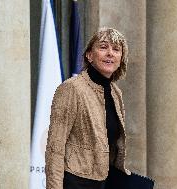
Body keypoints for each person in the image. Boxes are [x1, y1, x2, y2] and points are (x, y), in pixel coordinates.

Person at [45, 27, 131, 189]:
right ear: (89, 55)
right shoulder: (72, 89)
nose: (110, 53)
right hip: (75, 181)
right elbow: (54, 148)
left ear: (121, 59)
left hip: (105, 181)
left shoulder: (116, 93)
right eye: (103, 47)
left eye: (116, 49)